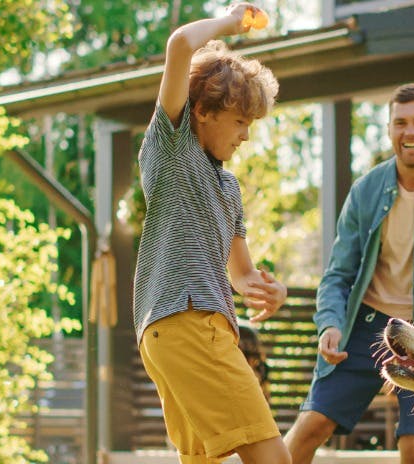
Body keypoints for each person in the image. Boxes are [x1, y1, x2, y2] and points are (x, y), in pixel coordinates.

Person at [284, 84, 414, 464]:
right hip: (366, 324)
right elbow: (337, 275)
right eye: (401, 123)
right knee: (308, 428)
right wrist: (330, 324)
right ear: (390, 129)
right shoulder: (365, 192)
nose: (411, 132)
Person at [132, 4, 290, 463]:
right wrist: (231, 23)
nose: (245, 136)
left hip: (189, 329)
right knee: (271, 457)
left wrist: (268, 291)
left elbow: (240, 274)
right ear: (201, 111)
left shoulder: (227, 186)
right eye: (240, 121)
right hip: (186, 322)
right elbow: (181, 45)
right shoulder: (172, 149)